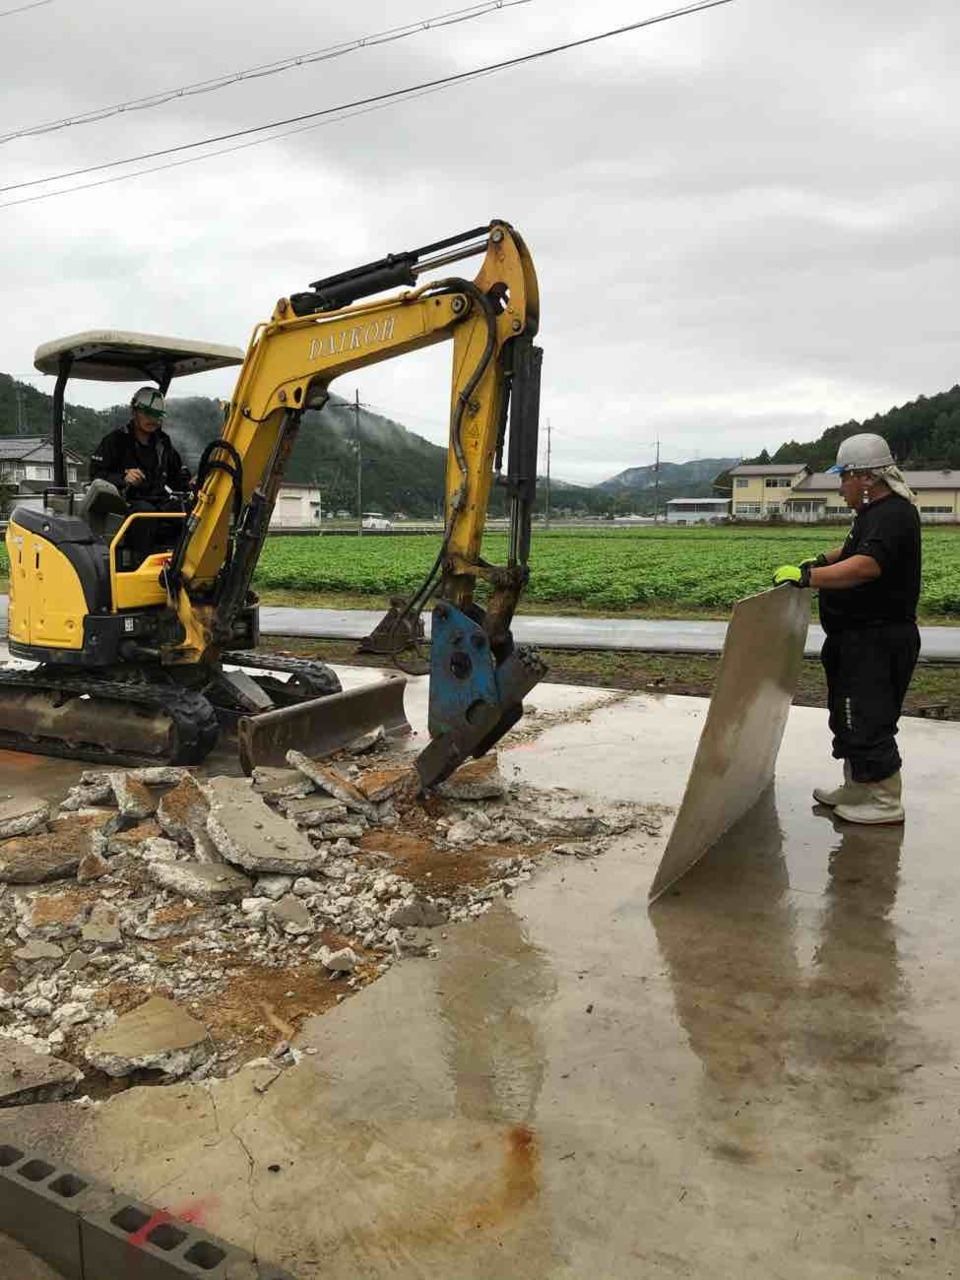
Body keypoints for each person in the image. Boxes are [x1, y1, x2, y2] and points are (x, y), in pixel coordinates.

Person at [771, 432, 921, 825]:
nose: (841, 488)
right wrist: (821, 558)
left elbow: (866, 565)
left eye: (844, 478)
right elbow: (854, 550)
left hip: (879, 639)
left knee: (869, 718)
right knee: (848, 716)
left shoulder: (895, 516)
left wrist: (809, 577)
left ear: (866, 478)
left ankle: (885, 802)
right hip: (856, 639)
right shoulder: (874, 515)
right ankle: (858, 787)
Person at [89, 386, 191, 509]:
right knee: (145, 512)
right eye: (148, 413)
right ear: (134, 411)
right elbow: (96, 474)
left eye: (157, 415)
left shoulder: (163, 443)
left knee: (186, 510)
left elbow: (177, 477)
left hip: (158, 501)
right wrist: (123, 478)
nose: (153, 419)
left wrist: (192, 484)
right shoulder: (115, 441)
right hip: (124, 502)